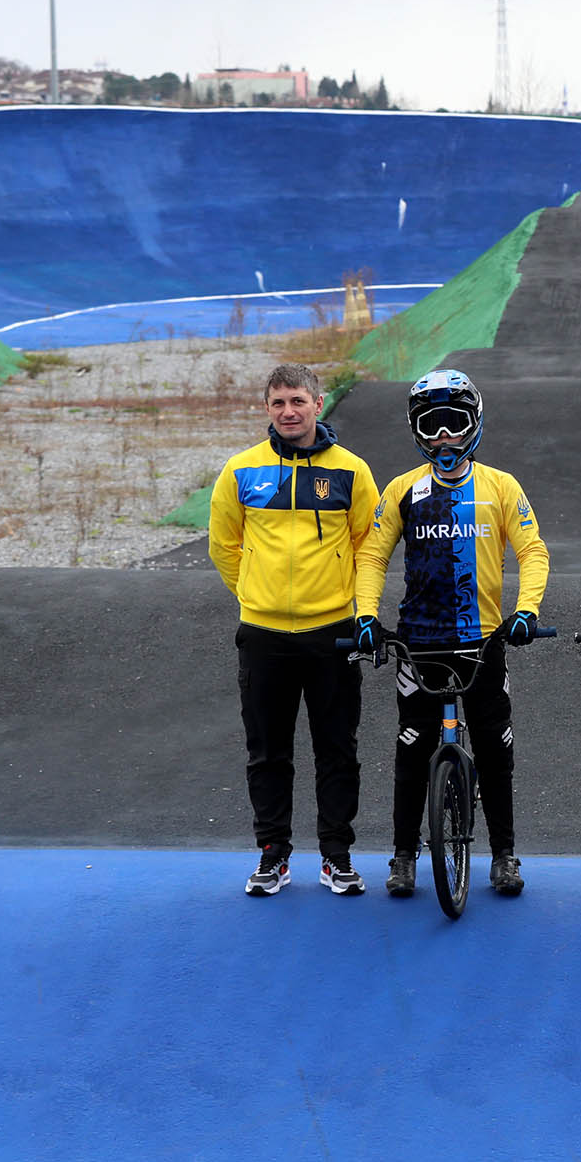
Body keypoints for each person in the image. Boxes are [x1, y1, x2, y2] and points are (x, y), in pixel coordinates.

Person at [353, 369, 549, 899]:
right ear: (417, 431)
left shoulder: (501, 487)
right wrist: (366, 617)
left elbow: (532, 552)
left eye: (454, 424)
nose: (444, 437)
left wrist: (526, 610)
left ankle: (504, 854)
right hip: (419, 645)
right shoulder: (401, 490)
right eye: (432, 426)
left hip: (484, 644)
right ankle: (401, 855)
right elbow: (372, 554)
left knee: (494, 749)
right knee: (412, 749)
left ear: (474, 425)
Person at [209, 363, 379, 897]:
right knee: (267, 752)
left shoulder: (352, 471)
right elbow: (223, 546)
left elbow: (367, 545)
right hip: (263, 635)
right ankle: (273, 854)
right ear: (266, 408)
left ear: (318, 403)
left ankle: (336, 855)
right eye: (279, 402)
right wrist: (255, 596)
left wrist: (343, 602)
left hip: (332, 634)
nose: (289, 411)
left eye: (298, 401)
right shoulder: (241, 470)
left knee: (337, 750)